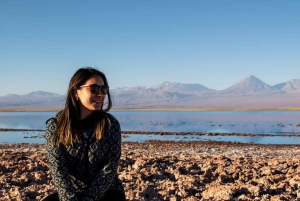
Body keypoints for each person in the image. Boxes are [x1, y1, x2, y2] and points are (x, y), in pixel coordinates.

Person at [42, 67, 125, 201]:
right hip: (73, 193)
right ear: (76, 92)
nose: (101, 94)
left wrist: (90, 198)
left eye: (104, 89)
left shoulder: (110, 124)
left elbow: (110, 167)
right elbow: (58, 170)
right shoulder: (55, 126)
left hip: (107, 192)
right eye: (94, 89)